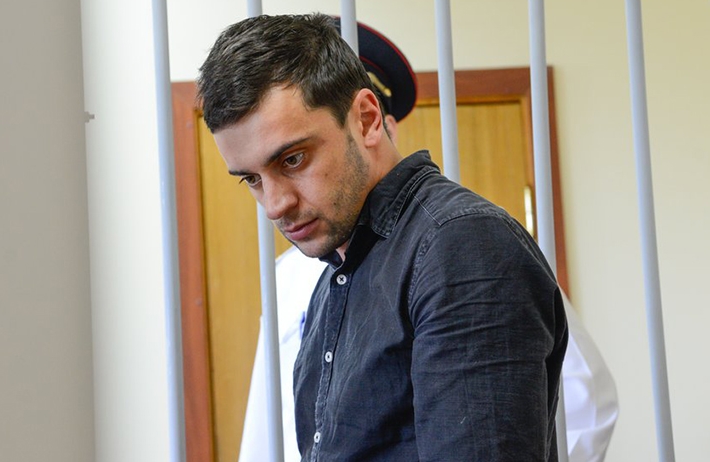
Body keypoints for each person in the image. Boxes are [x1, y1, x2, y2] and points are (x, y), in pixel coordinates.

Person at [237, 20, 619, 462]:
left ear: (369, 122)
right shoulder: (326, 273)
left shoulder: (464, 246)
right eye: (251, 179)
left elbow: (583, 406)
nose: (274, 206)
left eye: (294, 158)